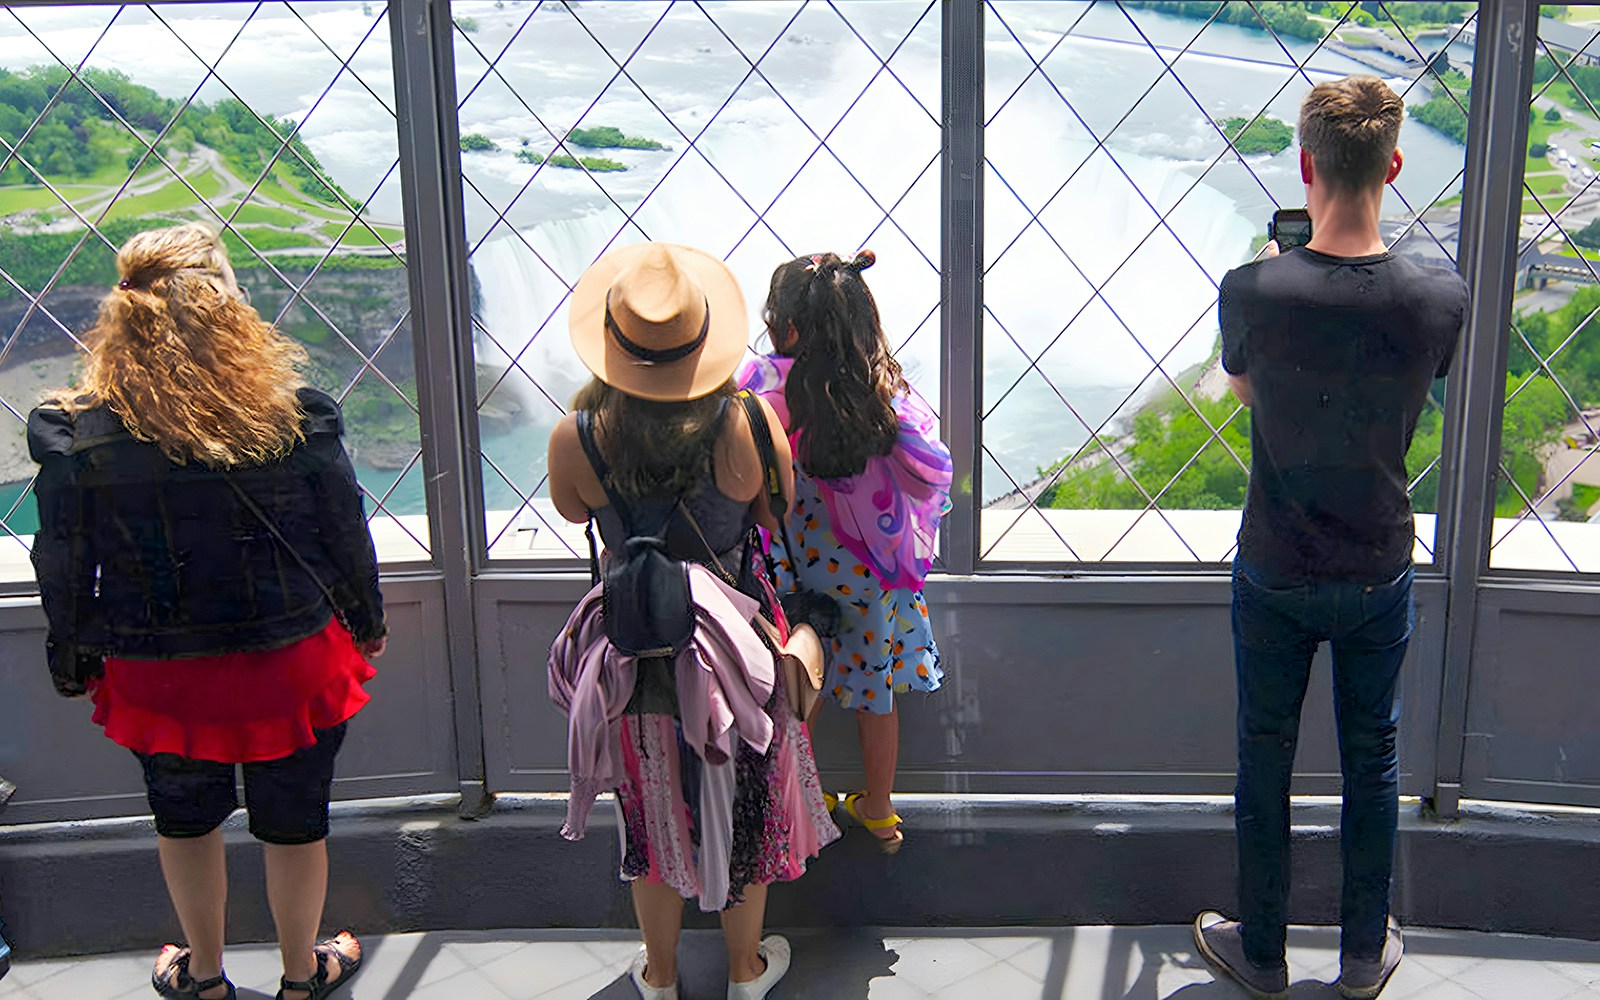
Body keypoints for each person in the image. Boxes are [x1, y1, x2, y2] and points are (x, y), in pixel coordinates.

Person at [28, 223, 386, 1000]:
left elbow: (62, 558)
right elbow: (343, 532)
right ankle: (302, 974)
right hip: (288, 661)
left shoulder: (77, 430)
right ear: (229, 308)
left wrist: (74, 651)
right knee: (296, 820)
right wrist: (368, 620)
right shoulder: (294, 415)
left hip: (159, 672)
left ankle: (205, 975)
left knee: (184, 821)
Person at [1192, 77, 1468, 1000]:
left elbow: (1246, 393)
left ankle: (1260, 954)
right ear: (1392, 165)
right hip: (1378, 562)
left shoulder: (1253, 288)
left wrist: (1287, 270)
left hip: (1274, 560)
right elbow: (1403, 395)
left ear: (1306, 165)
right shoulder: (1439, 301)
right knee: (1373, 761)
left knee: (1262, 756)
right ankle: (1359, 956)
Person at [547, 242, 839, 1000]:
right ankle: (744, 972)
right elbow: (777, 510)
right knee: (745, 802)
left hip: (635, 654)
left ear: (614, 347)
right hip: (737, 655)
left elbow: (576, 510)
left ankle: (661, 973)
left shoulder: (574, 436)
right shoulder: (745, 421)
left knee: (650, 821)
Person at [739, 250, 951, 853]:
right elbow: (926, 481)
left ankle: (791, 809)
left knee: (794, 687)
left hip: (790, 574)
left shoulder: (762, 393)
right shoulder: (887, 399)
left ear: (792, 330)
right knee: (873, 694)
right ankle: (879, 809)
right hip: (871, 580)